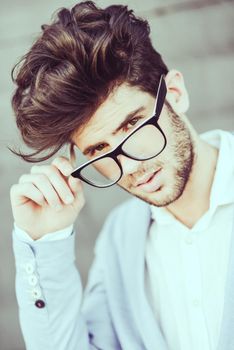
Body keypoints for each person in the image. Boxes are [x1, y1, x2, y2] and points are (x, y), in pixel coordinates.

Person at [9, 1, 234, 350]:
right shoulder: (120, 237)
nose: (128, 166)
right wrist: (45, 243)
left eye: (132, 125)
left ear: (174, 93)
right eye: (98, 149)